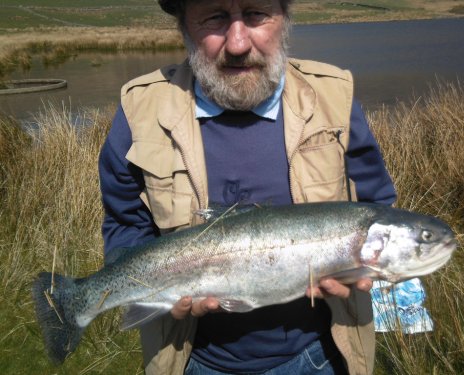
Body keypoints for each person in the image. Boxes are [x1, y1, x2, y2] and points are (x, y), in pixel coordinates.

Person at [98, 0, 397, 374]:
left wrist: (365, 273)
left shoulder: (336, 98)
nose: (238, 43)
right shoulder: (139, 110)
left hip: (323, 355)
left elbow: (377, 210)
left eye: (256, 13)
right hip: (191, 359)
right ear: (184, 27)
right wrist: (157, 291)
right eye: (215, 17)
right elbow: (126, 226)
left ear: (285, 19)